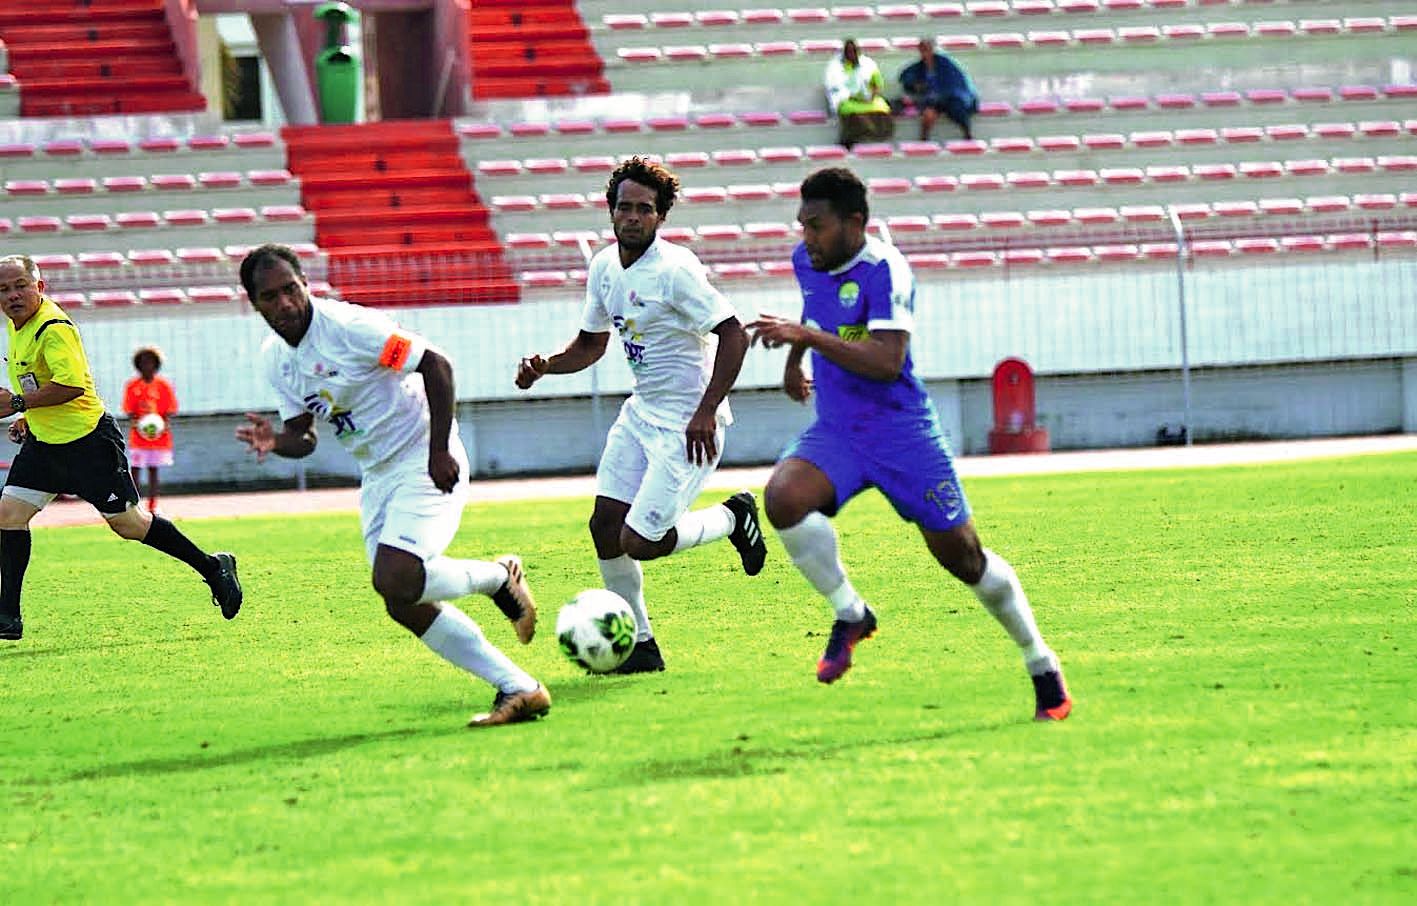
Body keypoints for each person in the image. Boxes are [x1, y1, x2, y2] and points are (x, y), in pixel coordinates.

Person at [745, 169, 1072, 721]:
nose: (807, 238)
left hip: (903, 434)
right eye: (801, 226)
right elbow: (814, 312)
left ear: (855, 222)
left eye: (817, 226)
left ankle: (1041, 665)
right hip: (839, 430)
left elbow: (885, 360)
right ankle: (851, 613)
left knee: (966, 561)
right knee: (782, 498)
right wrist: (796, 361)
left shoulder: (886, 270)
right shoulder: (809, 261)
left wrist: (807, 340)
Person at [234, 243, 546, 728]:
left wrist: (439, 449)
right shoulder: (276, 361)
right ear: (254, 304)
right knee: (402, 602)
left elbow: (436, 365)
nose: (285, 304)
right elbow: (304, 437)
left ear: (305, 284)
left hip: (422, 454)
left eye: (290, 289)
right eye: (269, 297)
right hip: (378, 474)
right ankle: (520, 687)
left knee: (396, 577)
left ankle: (496, 579)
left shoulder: (349, 328)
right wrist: (275, 441)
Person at [514, 156, 767, 674]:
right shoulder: (605, 266)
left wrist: (706, 410)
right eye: (624, 207)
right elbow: (590, 345)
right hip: (641, 414)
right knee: (605, 524)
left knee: (641, 541)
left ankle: (732, 517)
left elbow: (733, 332)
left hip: (689, 426)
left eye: (644, 209)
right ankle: (642, 646)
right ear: (611, 211)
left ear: (660, 216)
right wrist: (546, 367)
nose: (632, 217)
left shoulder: (675, 271)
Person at [0, 254, 241, 642]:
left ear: (39, 287)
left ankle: (214, 568)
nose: (12, 295)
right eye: (4, 289)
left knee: (130, 525)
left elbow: (71, 386)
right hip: (45, 445)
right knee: (9, 514)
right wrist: (28, 416)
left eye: (20, 286)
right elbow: (39, 383)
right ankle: (8, 615)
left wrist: (16, 405)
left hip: (88, 446)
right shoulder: (18, 327)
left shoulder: (53, 327)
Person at [122, 345, 178, 512]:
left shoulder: (164, 385)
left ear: (156, 364)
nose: (147, 366)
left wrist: (161, 425)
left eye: (151, 362)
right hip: (138, 436)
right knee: (136, 469)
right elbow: (129, 410)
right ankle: (135, 504)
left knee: (154, 469)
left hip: (159, 437)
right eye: (143, 362)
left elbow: (170, 410)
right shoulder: (132, 385)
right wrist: (138, 425)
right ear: (138, 365)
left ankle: (153, 505)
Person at [898, 38, 979, 141]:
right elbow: (904, 76)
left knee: (958, 110)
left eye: (927, 49)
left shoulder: (946, 64)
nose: (925, 53)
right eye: (922, 50)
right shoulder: (920, 66)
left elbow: (956, 84)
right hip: (933, 101)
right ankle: (924, 140)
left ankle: (968, 134)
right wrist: (915, 85)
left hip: (951, 97)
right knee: (928, 115)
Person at [825, 38, 895, 148]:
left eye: (854, 51)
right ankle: (851, 140)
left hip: (868, 99)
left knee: (883, 108)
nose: (852, 54)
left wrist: (872, 95)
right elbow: (835, 88)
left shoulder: (868, 63)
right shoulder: (835, 66)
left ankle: (877, 137)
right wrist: (854, 97)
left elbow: (877, 84)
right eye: (849, 51)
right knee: (852, 112)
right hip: (847, 100)